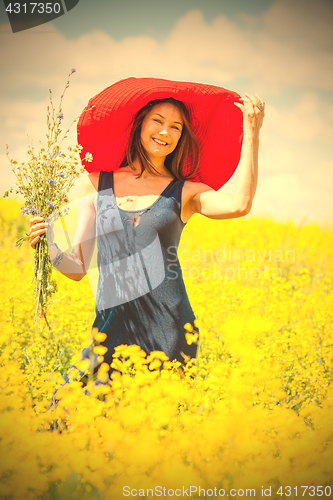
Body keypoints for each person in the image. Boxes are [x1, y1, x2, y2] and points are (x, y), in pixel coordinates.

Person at [29, 77, 265, 394]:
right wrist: (48, 247)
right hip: (110, 329)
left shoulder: (186, 192)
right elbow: (77, 269)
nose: (165, 132)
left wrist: (251, 135)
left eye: (176, 127)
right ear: (141, 125)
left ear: (182, 137)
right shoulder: (97, 182)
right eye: (158, 121)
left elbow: (240, 205)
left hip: (169, 328)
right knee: (66, 418)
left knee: (154, 434)